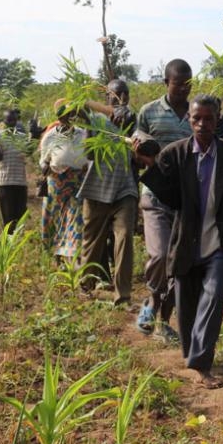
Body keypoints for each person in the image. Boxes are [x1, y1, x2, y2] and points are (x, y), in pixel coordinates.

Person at [136, 94, 223, 388]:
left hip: (218, 243)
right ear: (189, 120)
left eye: (209, 119)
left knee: (213, 298)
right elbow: (167, 194)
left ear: (217, 121)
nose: (202, 124)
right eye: (196, 118)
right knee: (187, 306)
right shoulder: (176, 154)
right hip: (187, 241)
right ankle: (192, 352)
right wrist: (147, 161)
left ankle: (202, 364)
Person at [134, 59, 194, 343]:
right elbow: (136, 146)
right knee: (159, 255)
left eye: (188, 83)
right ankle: (151, 300)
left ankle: (164, 320)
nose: (183, 88)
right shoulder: (149, 112)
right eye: (178, 83)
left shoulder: (197, 114)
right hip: (156, 196)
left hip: (185, 200)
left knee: (179, 262)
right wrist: (142, 151)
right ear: (165, 83)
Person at [79, 79, 140, 305]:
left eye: (125, 95)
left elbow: (140, 147)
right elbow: (88, 154)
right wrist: (90, 124)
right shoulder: (96, 120)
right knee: (92, 243)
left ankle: (122, 295)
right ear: (107, 99)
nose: (121, 99)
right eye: (116, 96)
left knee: (124, 239)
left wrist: (126, 124)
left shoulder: (132, 119)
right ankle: (85, 286)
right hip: (97, 189)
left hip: (124, 189)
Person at [39, 101, 89, 263]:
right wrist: (45, 167)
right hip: (56, 182)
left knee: (75, 218)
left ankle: (73, 256)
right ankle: (54, 255)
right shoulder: (51, 136)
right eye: (65, 115)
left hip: (77, 181)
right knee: (55, 218)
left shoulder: (82, 134)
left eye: (71, 115)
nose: (68, 118)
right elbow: (43, 160)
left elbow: (89, 157)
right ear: (59, 117)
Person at [0, 109, 30, 234]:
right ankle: (7, 246)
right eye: (8, 120)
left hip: (21, 182)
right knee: (8, 219)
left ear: (17, 121)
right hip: (5, 182)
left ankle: (17, 245)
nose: (11, 122)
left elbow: (28, 153)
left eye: (13, 120)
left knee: (20, 218)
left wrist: (36, 136)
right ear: (4, 121)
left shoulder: (22, 137)